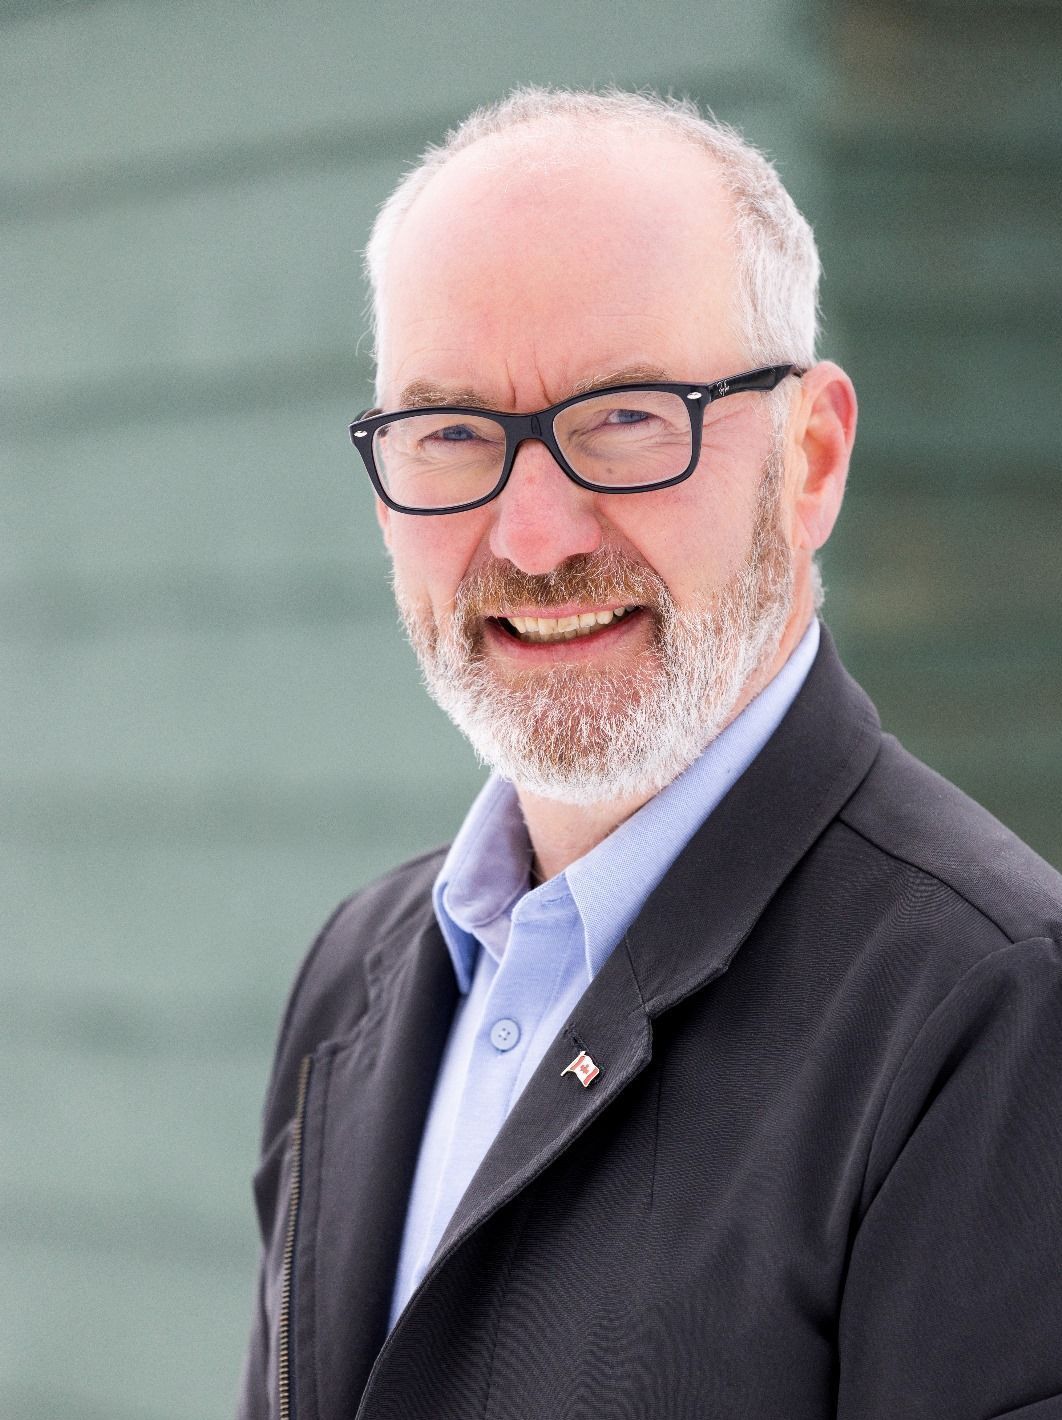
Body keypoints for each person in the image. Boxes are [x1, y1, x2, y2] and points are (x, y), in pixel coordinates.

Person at [239, 88, 1062, 1420]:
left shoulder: (991, 1014)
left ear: (809, 458)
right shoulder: (357, 981)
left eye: (625, 418)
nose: (536, 536)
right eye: (450, 434)